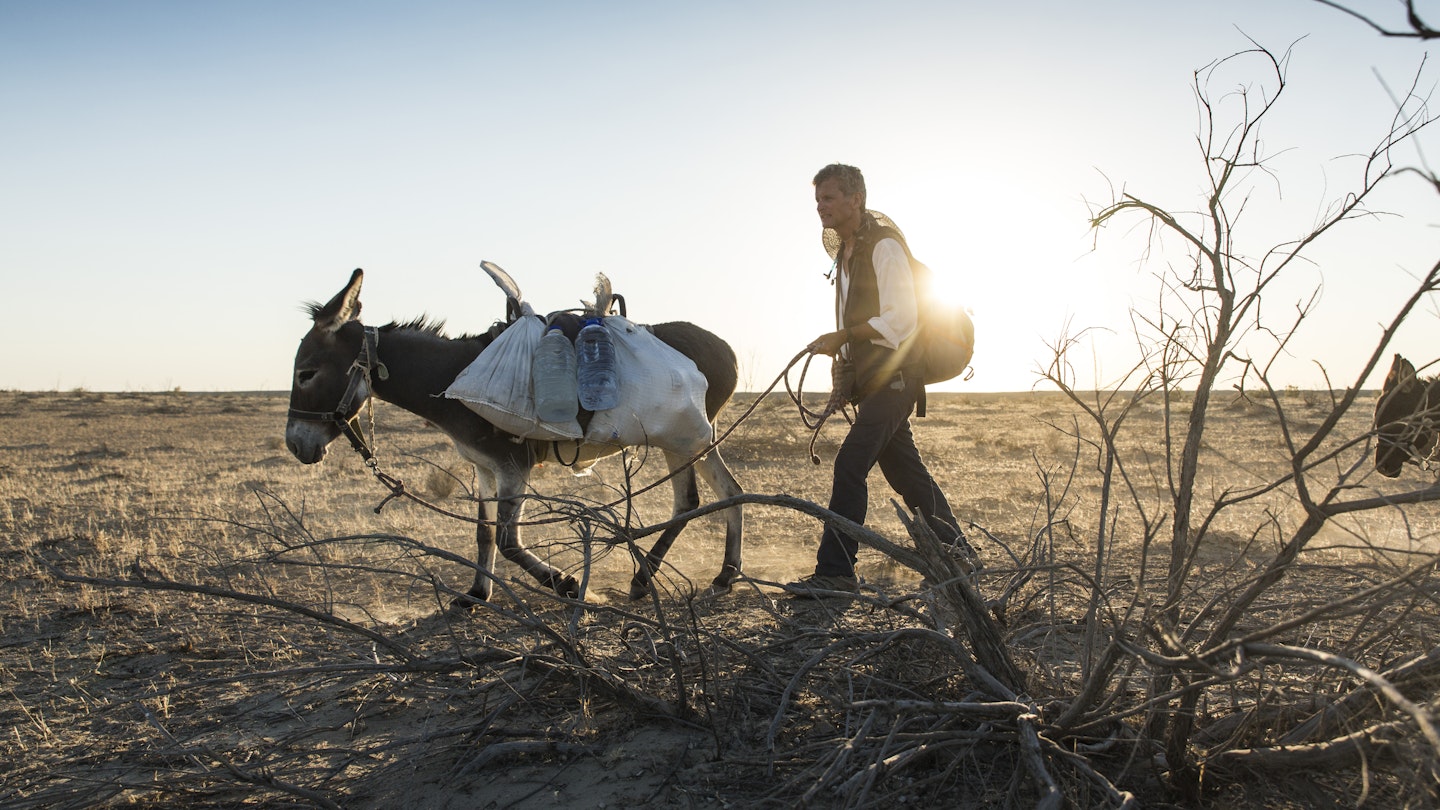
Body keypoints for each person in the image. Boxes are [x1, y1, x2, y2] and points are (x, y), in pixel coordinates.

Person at [786, 163, 973, 597]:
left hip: (897, 379)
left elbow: (901, 318)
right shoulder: (844, 258)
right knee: (908, 475)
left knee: (850, 464)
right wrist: (842, 374)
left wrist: (844, 337)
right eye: (817, 200)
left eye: (829, 198)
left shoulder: (885, 247)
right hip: (874, 384)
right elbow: (851, 327)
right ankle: (959, 555)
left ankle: (836, 571)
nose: (820, 207)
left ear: (856, 199)